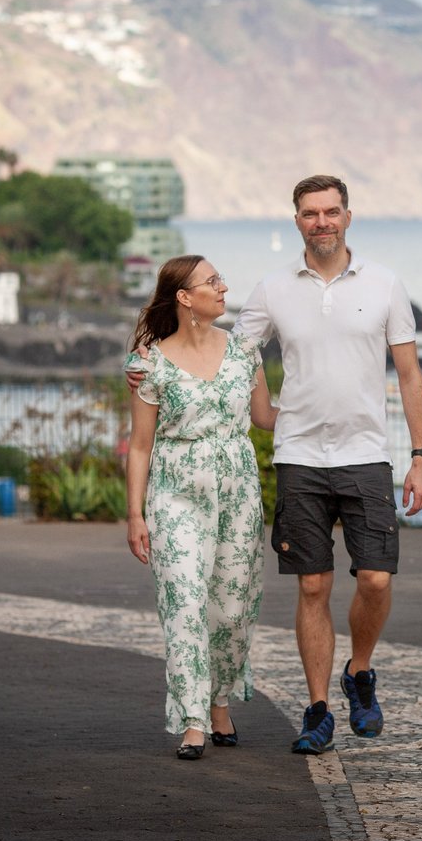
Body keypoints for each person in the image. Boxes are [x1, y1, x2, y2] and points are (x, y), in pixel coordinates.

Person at [127, 174, 422, 756]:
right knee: (312, 586)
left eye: (331, 211)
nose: (322, 221)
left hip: (367, 456)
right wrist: (153, 354)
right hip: (298, 458)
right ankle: (317, 711)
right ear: (297, 220)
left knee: (376, 578)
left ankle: (360, 671)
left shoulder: (386, 285)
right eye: (310, 213)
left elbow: (410, 375)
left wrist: (419, 457)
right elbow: (217, 351)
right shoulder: (270, 291)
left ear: (348, 216)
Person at [125, 254, 278, 760]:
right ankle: (192, 718)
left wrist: (327, 397)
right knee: (185, 603)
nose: (224, 286)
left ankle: (218, 701)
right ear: (185, 298)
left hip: (237, 492)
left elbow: (265, 419)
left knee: (233, 610)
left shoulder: (245, 354)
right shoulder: (149, 364)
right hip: (175, 494)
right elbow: (141, 445)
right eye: (212, 281)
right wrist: (135, 514)